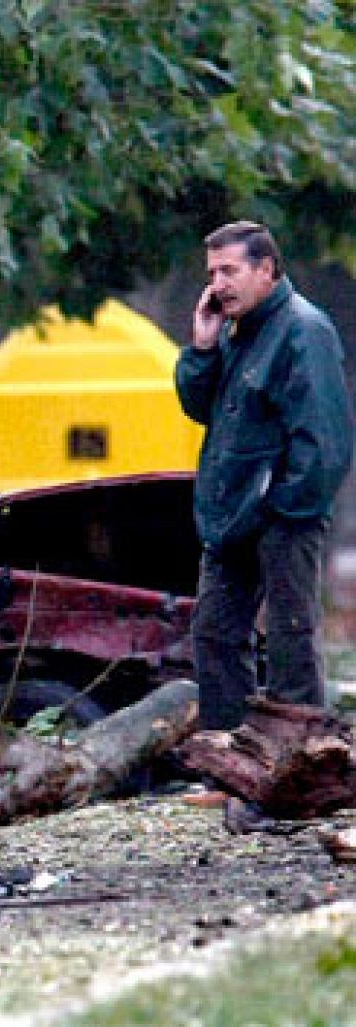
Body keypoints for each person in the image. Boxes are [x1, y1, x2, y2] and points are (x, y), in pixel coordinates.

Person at [176, 220, 355, 732]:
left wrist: (286, 510)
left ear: (266, 270)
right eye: (212, 273)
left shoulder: (304, 330)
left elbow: (324, 440)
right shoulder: (236, 332)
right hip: (232, 516)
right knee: (213, 635)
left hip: (283, 516)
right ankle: (226, 752)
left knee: (289, 637)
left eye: (229, 271)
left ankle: (297, 753)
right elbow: (201, 408)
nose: (218, 285)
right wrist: (202, 349)